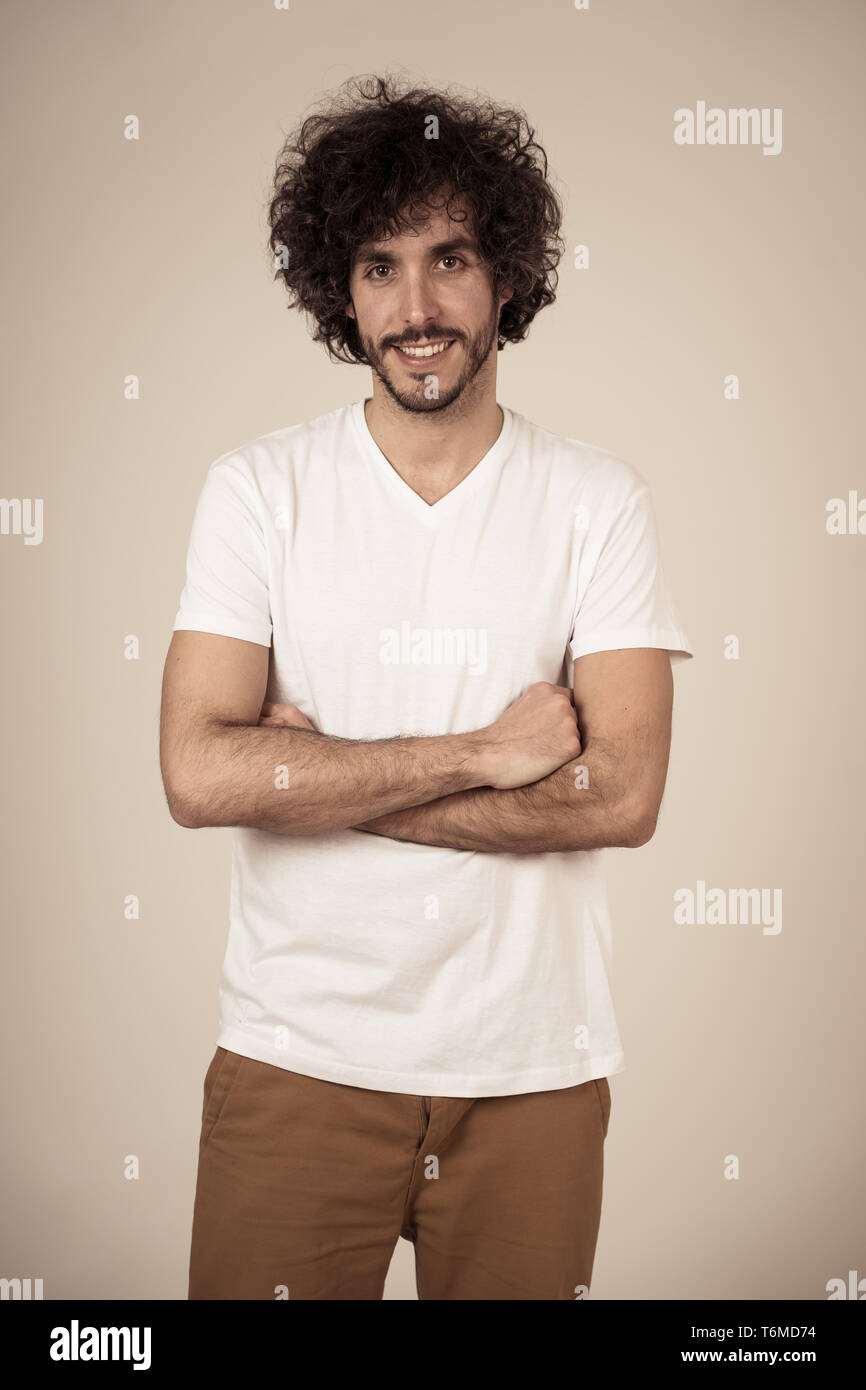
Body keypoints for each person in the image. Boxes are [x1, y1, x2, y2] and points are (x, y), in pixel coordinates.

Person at [159, 74, 693, 1301]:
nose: (416, 306)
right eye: (379, 266)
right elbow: (197, 775)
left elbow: (619, 797)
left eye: (449, 260)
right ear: (338, 296)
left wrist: (311, 775)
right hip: (299, 1061)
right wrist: (478, 752)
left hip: (531, 1075)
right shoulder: (259, 490)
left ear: (505, 275)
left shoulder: (595, 501)